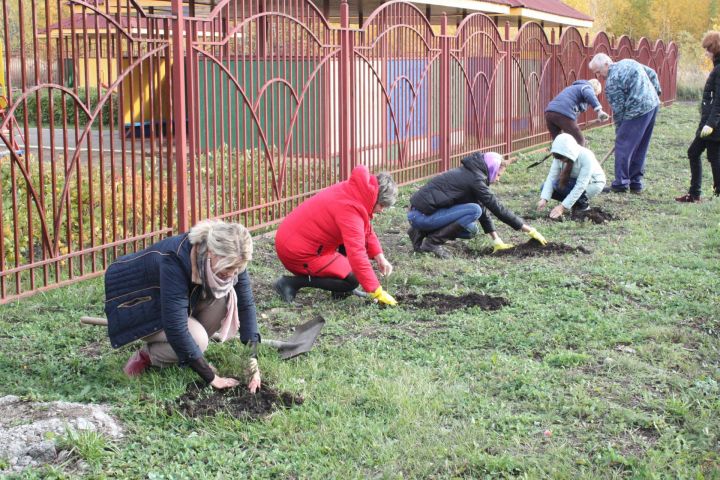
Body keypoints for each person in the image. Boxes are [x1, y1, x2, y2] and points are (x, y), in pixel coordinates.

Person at [104, 219, 262, 392]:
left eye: (237, 269)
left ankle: (188, 352)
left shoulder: (234, 255)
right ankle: (147, 356)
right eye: (229, 267)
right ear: (211, 252)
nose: (232, 273)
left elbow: (245, 304)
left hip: (178, 304)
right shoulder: (175, 259)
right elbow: (176, 327)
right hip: (137, 305)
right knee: (198, 340)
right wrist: (210, 376)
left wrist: (252, 360)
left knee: (226, 300)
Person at [273, 165, 398, 306]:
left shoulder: (357, 191)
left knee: (350, 249)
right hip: (297, 251)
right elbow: (357, 254)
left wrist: (379, 256)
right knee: (352, 279)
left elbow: (364, 228)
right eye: (382, 205)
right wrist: (377, 291)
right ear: (375, 198)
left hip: (297, 238)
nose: (381, 210)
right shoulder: (350, 209)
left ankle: (340, 290)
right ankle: (289, 283)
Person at [406, 152, 548, 259]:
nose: (498, 180)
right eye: (498, 175)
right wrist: (528, 229)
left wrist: (497, 240)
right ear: (492, 168)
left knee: (471, 230)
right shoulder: (475, 180)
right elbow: (496, 208)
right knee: (474, 210)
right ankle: (432, 244)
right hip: (421, 216)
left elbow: (485, 210)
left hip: (420, 214)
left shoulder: (472, 175)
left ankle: (418, 232)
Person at [589, 53, 661, 193]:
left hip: (636, 111)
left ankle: (621, 184)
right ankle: (636, 183)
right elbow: (652, 74)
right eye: (595, 73)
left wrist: (620, 133)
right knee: (641, 145)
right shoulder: (629, 61)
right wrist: (655, 93)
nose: (598, 75)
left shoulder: (612, 82)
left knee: (623, 145)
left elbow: (619, 111)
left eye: (598, 71)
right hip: (652, 105)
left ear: (606, 64)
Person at [676, 31, 720, 203]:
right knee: (704, 155)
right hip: (710, 122)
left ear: (715, 48)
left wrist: (711, 124)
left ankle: (701, 194)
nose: (706, 53)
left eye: (708, 49)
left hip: (714, 123)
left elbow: (718, 100)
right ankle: (696, 194)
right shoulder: (717, 67)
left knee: (708, 155)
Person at [537, 133, 607, 218]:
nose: (561, 161)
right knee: (544, 187)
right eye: (559, 159)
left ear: (569, 152)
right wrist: (544, 199)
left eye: (563, 159)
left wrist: (562, 207)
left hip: (593, 183)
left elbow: (581, 185)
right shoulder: (559, 156)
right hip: (573, 181)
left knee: (557, 184)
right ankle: (574, 202)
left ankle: (582, 204)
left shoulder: (586, 156)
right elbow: (551, 177)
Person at [545, 79, 610, 146]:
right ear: (594, 90)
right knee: (580, 141)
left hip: (549, 112)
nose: (595, 96)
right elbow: (589, 94)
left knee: (558, 143)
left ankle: (558, 156)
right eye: (596, 94)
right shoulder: (586, 87)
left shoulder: (573, 88)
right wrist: (600, 111)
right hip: (563, 112)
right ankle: (580, 156)